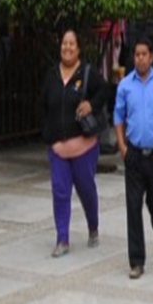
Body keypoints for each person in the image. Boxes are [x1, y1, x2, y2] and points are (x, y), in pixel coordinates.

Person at [38, 30, 109, 257]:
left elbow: (105, 91)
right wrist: (48, 136)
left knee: (86, 189)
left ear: (78, 49)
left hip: (84, 147)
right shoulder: (51, 75)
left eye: (71, 44)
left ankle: (93, 226)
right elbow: (42, 106)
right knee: (60, 192)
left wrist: (91, 105)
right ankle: (62, 239)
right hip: (58, 149)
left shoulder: (87, 73)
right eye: (64, 43)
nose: (67, 47)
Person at [114, 37, 153, 280]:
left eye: (144, 54)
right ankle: (137, 261)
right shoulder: (125, 86)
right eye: (137, 54)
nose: (140, 58)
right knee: (133, 207)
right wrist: (122, 147)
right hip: (134, 156)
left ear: (151, 57)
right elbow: (118, 118)